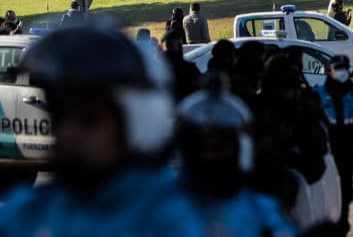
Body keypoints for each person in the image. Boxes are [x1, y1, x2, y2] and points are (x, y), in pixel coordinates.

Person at [0, 25, 206, 236]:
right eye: (60, 117)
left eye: (88, 121)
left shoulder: (172, 217)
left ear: (134, 127)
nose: (68, 133)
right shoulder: (30, 210)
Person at [176, 80, 297, 237]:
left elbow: (282, 229)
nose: (212, 156)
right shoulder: (161, 206)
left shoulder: (259, 209)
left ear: (241, 150)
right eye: (203, 148)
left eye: (221, 148)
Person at [317, 55, 353, 236]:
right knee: (325, 191)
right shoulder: (318, 94)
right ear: (330, 71)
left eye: (344, 68)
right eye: (337, 68)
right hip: (325, 150)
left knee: (346, 191)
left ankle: (342, 224)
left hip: (347, 148)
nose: (341, 72)